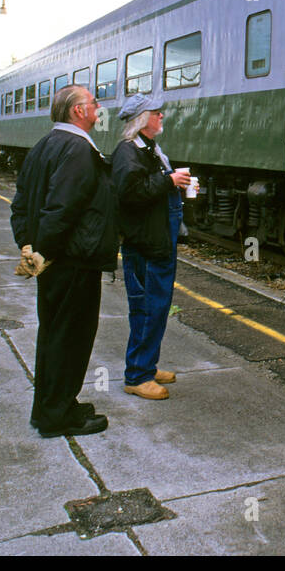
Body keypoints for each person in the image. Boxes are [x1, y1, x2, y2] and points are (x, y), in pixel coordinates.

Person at [10, 85, 118, 438]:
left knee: (54, 335)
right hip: (72, 261)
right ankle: (58, 416)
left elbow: (21, 204)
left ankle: (53, 406)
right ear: (77, 111)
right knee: (71, 339)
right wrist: (48, 251)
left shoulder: (44, 145)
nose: (98, 108)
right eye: (94, 103)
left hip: (53, 261)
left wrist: (29, 247)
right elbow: (62, 209)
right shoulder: (77, 149)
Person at [112, 93, 192, 401]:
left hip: (157, 241)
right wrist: (170, 181)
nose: (161, 117)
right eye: (156, 113)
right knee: (146, 308)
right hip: (144, 244)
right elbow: (129, 194)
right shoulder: (127, 152)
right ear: (142, 119)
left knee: (157, 307)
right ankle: (137, 375)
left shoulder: (149, 150)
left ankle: (147, 364)